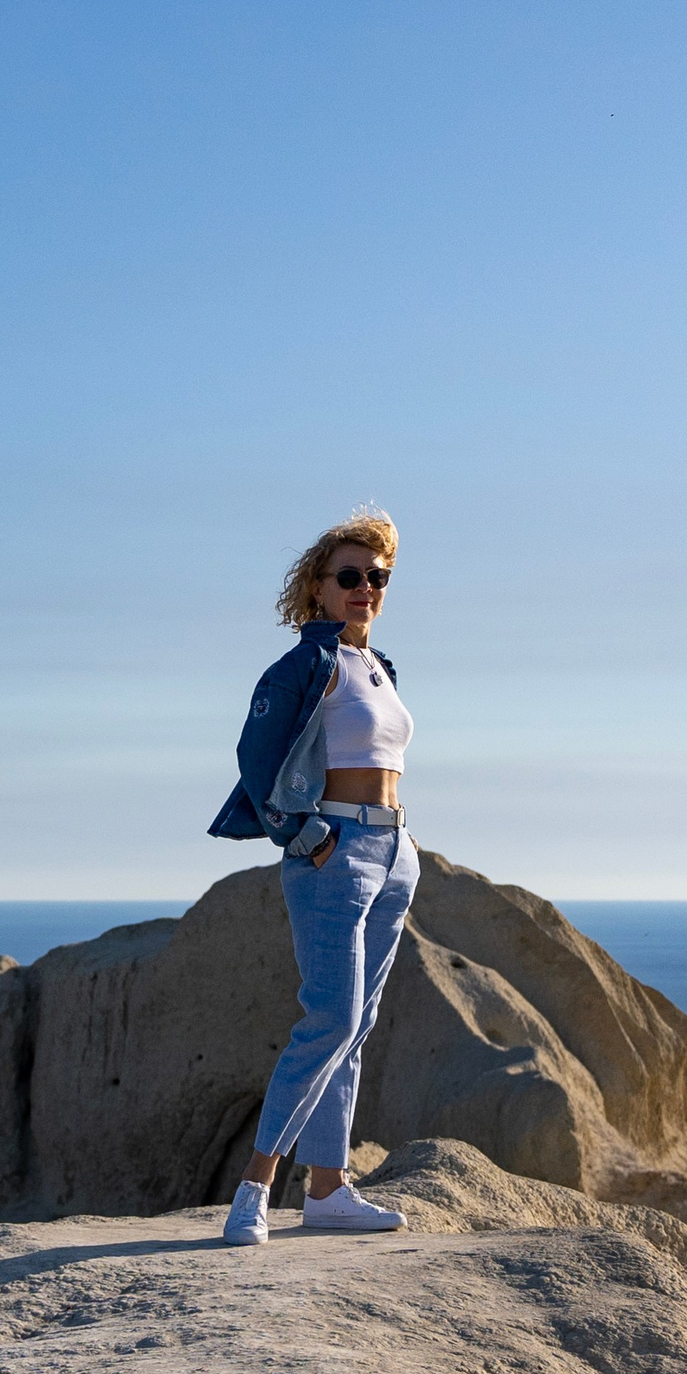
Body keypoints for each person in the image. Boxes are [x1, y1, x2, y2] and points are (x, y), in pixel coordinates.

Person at [208, 509, 417, 1247]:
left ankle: (328, 1187)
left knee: (355, 1027)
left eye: (377, 577)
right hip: (334, 852)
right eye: (351, 577)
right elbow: (256, 761)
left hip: (394, 855)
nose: (366, 588)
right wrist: (306, 836)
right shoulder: (301, 666)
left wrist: (400, 840)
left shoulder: (379, 667)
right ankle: (255, 1187)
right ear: (318, 589)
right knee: (327, 1018)